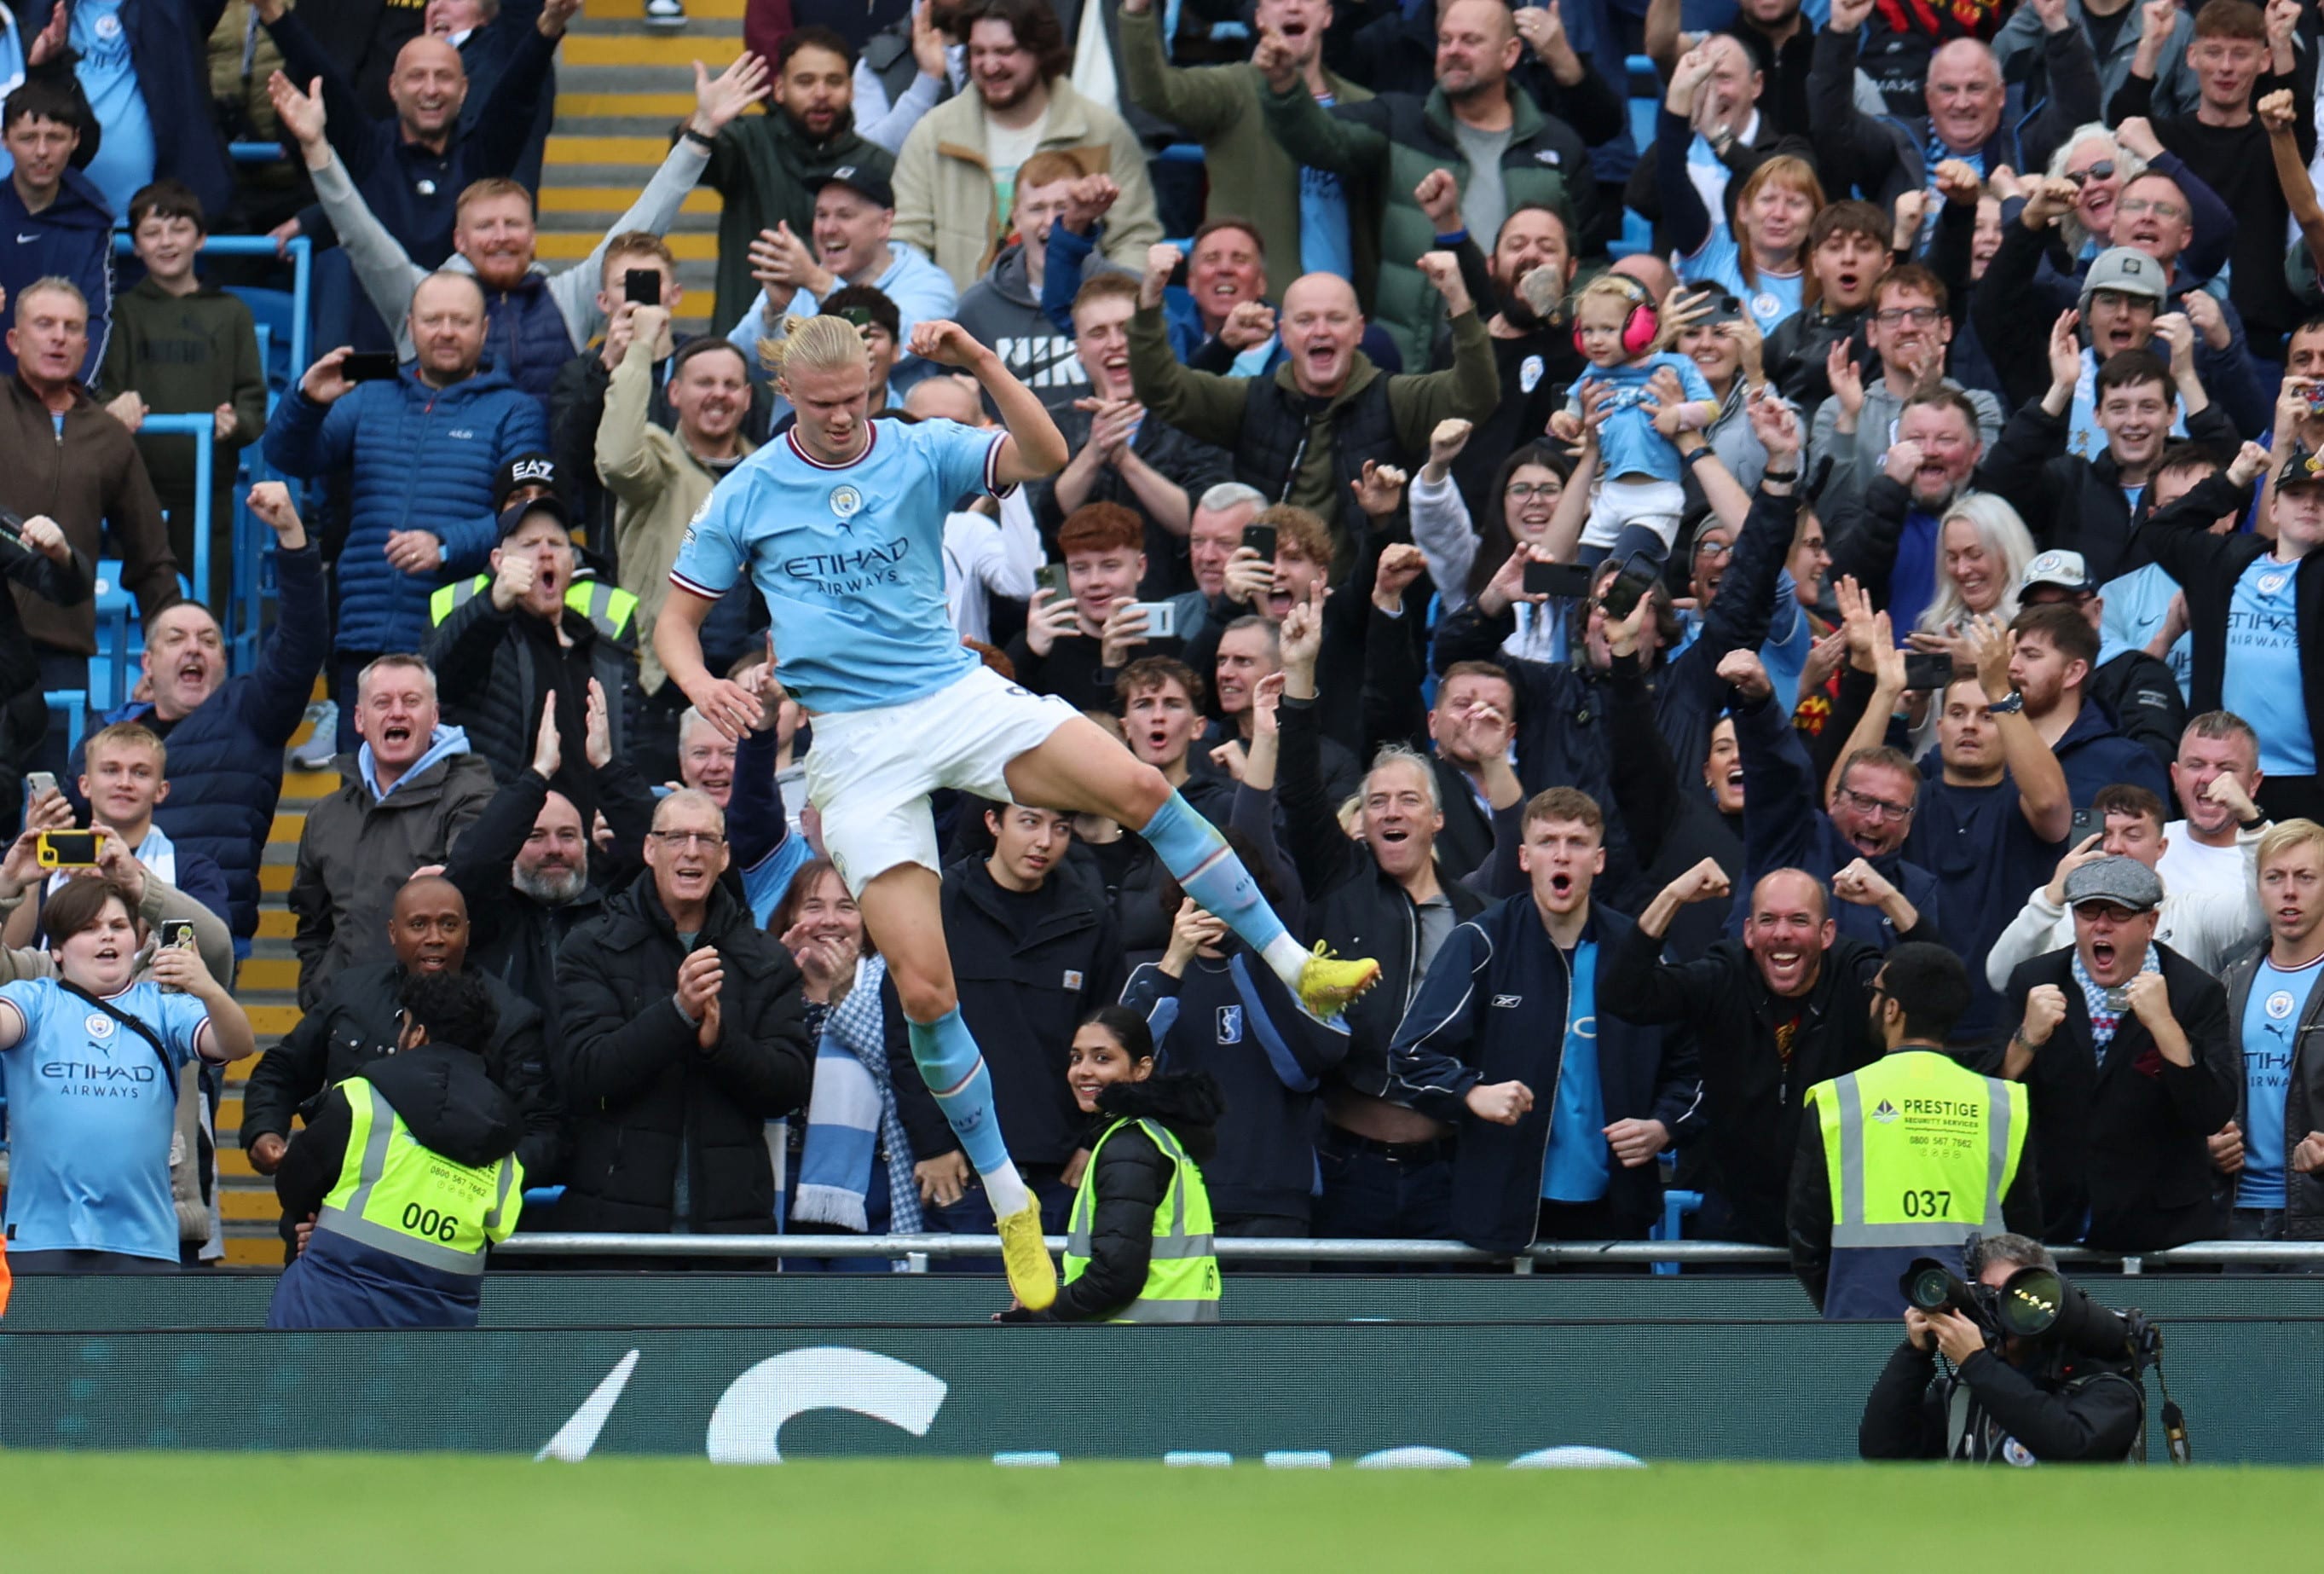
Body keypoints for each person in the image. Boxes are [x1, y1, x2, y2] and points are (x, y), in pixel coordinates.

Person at [656, 312, 1379, 1310]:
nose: (837, 421)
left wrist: (985, 362)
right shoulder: (746, 493)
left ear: (875, 380)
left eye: (854, 401)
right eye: (818, 408)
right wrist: (702, 686)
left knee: (1138, 787)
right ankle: (1010, 1207)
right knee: (923, 991)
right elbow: (674, 624)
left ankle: (1300, 970)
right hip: (857, 751)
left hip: (951, 698)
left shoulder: (918, 448)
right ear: (789, 399)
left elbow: (1043, 453)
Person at [270, 59, 749, 410]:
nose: (501, 237)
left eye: (513, 225)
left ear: (533, 236)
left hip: (546, 504)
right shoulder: (421, 297)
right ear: (460, 240)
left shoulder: (568, 298)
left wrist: (701, 131)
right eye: (485, 227)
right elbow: (357, 232)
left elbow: (641, 226)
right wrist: (316, 148)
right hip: (451, 496)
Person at [1385, 789, 1697, 1253]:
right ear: (1525, 857)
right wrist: (1471, 1092)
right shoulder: (1481, 943)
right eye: (1548, 842)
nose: (1562, 856)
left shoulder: (1639, 955)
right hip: (1501, 1216)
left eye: (1577, 842)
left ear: (1599, 860)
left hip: (1615, 1219)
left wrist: (1663, 1126)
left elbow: (1695, 1065)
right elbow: (1411, 1054)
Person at [263, 277, 548, 744]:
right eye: (434, 320)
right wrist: (307, 400)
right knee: (360, 795)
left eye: (461, 320)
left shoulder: (515, 410)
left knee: (450, 800)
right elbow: (288, 455)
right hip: (364, 633)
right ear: (410, 326)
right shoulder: (370, 396)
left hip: (463, 640)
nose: (447, 331)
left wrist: (447, 544)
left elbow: (530, 517)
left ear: (485, 329)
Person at [1255, 0, 1598, 367]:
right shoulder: (1400, 121)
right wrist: (1285, 87)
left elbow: (1587, 262)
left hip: (1524, 368)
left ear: (1510, 53)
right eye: (1445, 40)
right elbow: (1319, 140)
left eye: (1470, 40)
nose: (1453, 51)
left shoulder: (1557, 146)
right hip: (1413, 369)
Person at [1607, 854, 1923, 1246]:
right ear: (1749, 932)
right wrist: (1672, 896)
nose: (1782, 934)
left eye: (1799, 920)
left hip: (1841, 1218)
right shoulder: (1724, 974)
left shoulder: (1855, 975)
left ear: (1826, 934)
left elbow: (1935, 994)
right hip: (1735, 1216)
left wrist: (1890, 898)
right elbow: (1624, 995)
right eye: (1768, 920)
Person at [547, 790, 812, 1242]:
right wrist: (677, 1015)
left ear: (725, 856)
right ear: (650, 849)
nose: (692, 852)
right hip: (616, 1230)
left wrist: (720, 1044)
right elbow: (585, 1076)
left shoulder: (763, 958)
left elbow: (789, 1087)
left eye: (706, 839)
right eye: (676, 838)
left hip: (732, 1233)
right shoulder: (592, 946)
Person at [1128, 247, 1494, 573]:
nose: (1321, 331)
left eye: (1335, 319)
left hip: (1363, 611)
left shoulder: (1394, 397)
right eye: (1305, 321)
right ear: (1284, 334)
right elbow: (1161, 389)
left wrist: (1458, 300)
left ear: (1359, 330)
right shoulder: (1252, 400)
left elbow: (1475, 396)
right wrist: (1149, 298)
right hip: (1267, 604)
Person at [244, 875, 557, 1247]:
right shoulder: (350, 993)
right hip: (325, 1230)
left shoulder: (510, 1017)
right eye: (419, 925)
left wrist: (466, 1189)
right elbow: (282, 1069)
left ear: (468, 932)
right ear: (393, 932)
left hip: (442, 1237)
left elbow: (544, 1131)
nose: (435, 937)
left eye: (449, 924)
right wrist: (264, 1131)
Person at [84, 483, 327, 947]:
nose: (194, 647)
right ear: (148, 665)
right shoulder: (108, 733)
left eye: (209, 641)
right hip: (105, 936)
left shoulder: (250, 711)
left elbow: (301, 646)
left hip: (202, 936)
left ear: (223, 663)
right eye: (176, 639)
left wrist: (292, 537)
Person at [887, 800, 1124, 1240]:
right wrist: (934, 1144)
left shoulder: (1090, 918)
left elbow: (1116, 1043)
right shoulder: (937, 904)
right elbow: (905, 1035)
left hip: (1061, 1174)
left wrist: (1094, 1140)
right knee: (969, 1309)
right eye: (1030, 822)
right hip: (963, 1174)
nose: (1044, 842)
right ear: (993, 822)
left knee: (1063, 1309)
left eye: (1061, 827)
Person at [1842, 605, 2073, 1047]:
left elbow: (2051, 804)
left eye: (1987, 715)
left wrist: (2000, 689)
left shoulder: (2022, 800)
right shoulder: (1908, 799)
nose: (1970, 725)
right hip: (1908, 1027)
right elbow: (1843, 798)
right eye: (1959, 713)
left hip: (2007, 1025)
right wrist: (1886, 691)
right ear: (1940, 724)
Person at [0, 877, 254, 1272]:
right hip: (41, 1239)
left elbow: (237, 1045)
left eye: (118, 927)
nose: (107, 937)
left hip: (144, 1243)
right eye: (88, 928)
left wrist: (209, 990)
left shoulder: (167, 1006)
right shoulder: (34, 1000)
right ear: (58, 950)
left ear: (136, 941)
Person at [1789, 941, 2039, 1319]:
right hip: (1976, 1326)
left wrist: (1844, 1299)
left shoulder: (1837, 1100)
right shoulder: (2001, 1103)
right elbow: (2026, 1236)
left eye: (1875, 993)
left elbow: (1806, 1237)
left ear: (1892, 1009)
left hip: (1864, 1316)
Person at [265, 969, 527, 1328]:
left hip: (326, 1314)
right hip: (438, 1338)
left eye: (404, 1024)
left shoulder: (362, 1099)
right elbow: (496, 1229)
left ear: (417, 1035)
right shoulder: (505, 1142)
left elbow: (295, 1183)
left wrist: (325, 1226)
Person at [2002, 854, 2239, 1249]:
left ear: (2150, 924)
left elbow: (2211, 1112)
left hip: (2160, 1233)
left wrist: (2165, 1027)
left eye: (2119, 914)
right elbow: (1992, 1099)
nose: (2101, 925)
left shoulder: (2195, 991)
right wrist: (2026, 1038)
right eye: (2088, 912)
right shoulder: (2034, 981)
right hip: (2053, 1222)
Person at [251, 0, 569, 277]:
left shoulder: (480, 157)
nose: (430, 90)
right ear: (393, 88)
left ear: (463, 90)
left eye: (443, 77)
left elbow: (520, 89)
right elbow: (322, 73)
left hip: (466, 334)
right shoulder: (371, 152)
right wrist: (271, 12)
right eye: (417, 77)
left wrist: (549, 27)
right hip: (377, 342)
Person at [891, 0, 1160, 293]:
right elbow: (907, 244)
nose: (990, 66)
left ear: (1040, 52)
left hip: (1079, 326)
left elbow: (1133, 239)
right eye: (978, 52)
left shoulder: (1101, 131)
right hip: (963, 323)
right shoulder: (933, 135)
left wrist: (1111, 309)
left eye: (1004, 52)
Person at [1117, 0, 1371, 303]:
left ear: (1328, 15)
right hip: (1257, 312)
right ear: (1259, 16)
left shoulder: (1363, 106)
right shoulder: (1234, 91)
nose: (1292, 6)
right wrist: (1137, 11)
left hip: (1343, 315)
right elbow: (1155, 93)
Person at [438, 687, 658, 1037]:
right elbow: (472, 864)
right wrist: (537, 775)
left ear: (586, 845)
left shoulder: (617, 913)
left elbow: (662, 856)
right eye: (535, 836)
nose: (554, 848)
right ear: (511, 848)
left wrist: (606, 766)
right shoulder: (487, 918)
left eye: (568, 835)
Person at [1, 278, 177, 704]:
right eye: (44, 324)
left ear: (86, 345)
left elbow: (151, 560)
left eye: (72, 327)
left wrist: (168, 657)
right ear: (13, 339)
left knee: (56, 773)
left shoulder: (109, 437)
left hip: (61, 656)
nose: (58, 337)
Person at [291, 655, 495, 1010]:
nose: (396, 712)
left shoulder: (472, 795)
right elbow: (312, 925)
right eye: (382, 702)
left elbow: (482, 889)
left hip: (439, 1022)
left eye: (411, 701)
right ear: (359, 719)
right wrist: (318, 993)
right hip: (346, 1023)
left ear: (433, 718)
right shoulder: (326, 815)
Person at [2110, 0, 2309, 362]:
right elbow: (2123, 124)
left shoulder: (2273, 139)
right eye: (2213, 53)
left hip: (2256, 332)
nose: (2226, 67)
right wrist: (2151, 43)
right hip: (2168, 322)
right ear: (2192, 57)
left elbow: (2299, 130)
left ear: (2262, 61)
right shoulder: (2168, 138)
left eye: (2240, 54)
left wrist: (2281, 44)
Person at [996, 1008, 1222, 1322]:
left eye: (1102, 1058)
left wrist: (1042, 1313)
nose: (1082, 1071)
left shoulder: (1130, 1145)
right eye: (1076, 1058)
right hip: (1171, 1347)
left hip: (1133, 1353)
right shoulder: (1157, 1136)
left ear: (1142, 1069)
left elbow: (1115, 1278)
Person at [95, 180, 266, 591]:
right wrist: (115, 407)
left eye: (179, 229)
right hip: (134, 493)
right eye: (152, 233)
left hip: (210, 492)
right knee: (139, 608)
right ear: (135, 246)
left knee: (203, 606)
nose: (166, 243)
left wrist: (236, 423)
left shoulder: (232, 313)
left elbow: (253, 401)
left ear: (201, 238)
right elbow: (101, 395)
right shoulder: (122, 314)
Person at [2142, 440, 2323, 824]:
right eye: (2296, 494)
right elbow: (2160, 529)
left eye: (2322, 496)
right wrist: (2235, 478)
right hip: (2222, 776)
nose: (2310, 503)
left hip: (2309, 780)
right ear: (2272, 509)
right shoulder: (2225, 560)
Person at [594, 316, 765, 724]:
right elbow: (616, 461)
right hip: (661, 691)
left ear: (747, 397)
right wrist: (639, 349)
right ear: (674, 392)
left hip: (747, 685)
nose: (718, 395)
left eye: (730, 385)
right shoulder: (657, 458)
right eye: (704, 383)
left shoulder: (766, 472)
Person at [425, 499, 640, 808]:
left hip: (588, 841)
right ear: (499, 561)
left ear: (571, 559)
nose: (545, 552)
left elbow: (624, 745)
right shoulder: (486, 632)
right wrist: (494, 603)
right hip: (507, 835)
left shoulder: (601, 644)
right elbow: (439, 682)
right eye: (529, 544)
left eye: (556, 542)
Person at [1857, 1232, 2146, 1461]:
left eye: (2016, 1295)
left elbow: (2072, 1447)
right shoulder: (1963, 1393)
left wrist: (1976, 1361)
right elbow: (1884, 1449)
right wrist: (1914, 1354)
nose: (1999, 1309)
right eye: (1988, 1295)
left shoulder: (2107, 1388)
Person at [1027, 273, 1230, 596]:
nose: (1114, 343)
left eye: (1125, 328)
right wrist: (1094, 453)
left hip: (1176, 612)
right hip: (1071, 618)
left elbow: (1202, 523)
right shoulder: (1049, 425)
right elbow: (1038, 527)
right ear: (1079, 351)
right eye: (1098, 333)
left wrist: (1125, 460)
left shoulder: (1196, 415)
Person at [1807, 0, 2099, 217]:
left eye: (1975, 88)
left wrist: (2058, 26)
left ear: (2000, 95)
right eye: (1947, 90)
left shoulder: (2025, 146)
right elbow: (1831, 125)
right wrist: (1841, 31)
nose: (1961, 103)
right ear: (1928, 97)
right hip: (1911, 289)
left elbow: (2079, 115)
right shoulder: (1896, 147)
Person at [697, 29, 898, 341]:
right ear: (778, 88)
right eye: (805, 81)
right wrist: (702, 124)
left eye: (834, 81)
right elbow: (694, 162)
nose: (821, 93)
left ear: (852, 89)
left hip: (848, 357)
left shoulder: (878, 165)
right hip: (750, 357)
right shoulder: (746, 142)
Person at [1986, 784, 2265, 989]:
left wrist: (2253, 825)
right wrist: (2052, 897)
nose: (2116, 847)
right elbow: (2000, 977)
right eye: (2105, 834)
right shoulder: (2054, 913)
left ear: (2161, 847)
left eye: (2132, 835)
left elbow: (2259, 920)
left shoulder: (2191, 912)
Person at [722, 165, 960, 394]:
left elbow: (897, 350)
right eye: (821, 215)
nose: (828, 229)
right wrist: (774, 311)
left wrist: (817, 282)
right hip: (801, 433)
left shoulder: (929, 285)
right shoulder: (798, 279)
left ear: (885, 223)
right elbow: (738, 367)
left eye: (844, 215)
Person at [1545, 275, 1719, 567]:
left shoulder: (1674, 366)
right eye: (1587, 330)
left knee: (1623, 575)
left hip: (1654, 498)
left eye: (1608, 329)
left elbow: (1711, 408)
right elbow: (1571, 416)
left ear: (1640, 327)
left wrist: (1678, 416)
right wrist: (1561, 419)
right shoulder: (1592, 374)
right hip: (1608, 497)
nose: (1595, 340)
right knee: (1585, 580)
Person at [2207, 818, 2324, 1240]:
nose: (2289, 891)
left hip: (2316, 1215)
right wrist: (2207, 1144)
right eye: (2275, 877)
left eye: (2305, 877)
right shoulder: (2229, 985)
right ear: (2259, 888)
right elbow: (2199, 1093)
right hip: (2237, 1214)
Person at [1812, 264, 2004, 512]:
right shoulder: (1836, 409)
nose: (1907, 327)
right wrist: (1849, 419)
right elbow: (1827, 509)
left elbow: (1979, 499)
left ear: (1945, 328)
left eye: (1921, 314)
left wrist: (1930, 397)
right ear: (1872, 332)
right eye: (1892, 316)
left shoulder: (1979, 407)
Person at [0, 78, 113, 383]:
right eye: (27, 138)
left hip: (60, 401)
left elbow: (97, 319)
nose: (41, 151)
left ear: (75, 139)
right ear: (5, 139)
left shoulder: (92, 221)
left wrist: (71, 397)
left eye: (55, 137)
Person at [2007, 602, 2171, 807]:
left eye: (2031, 656)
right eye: (2010, 655)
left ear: (2074, 672)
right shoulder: (1990, 751)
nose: (2013, 667)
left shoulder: (2125, 763)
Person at [2161, 711, 2271, 903]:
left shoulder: (2283, 854)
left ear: (2254, 783)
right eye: (2196, 765)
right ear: (2175, 776)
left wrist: (2251, 819)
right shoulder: (2149, 843)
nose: (2208, 778)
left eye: (2226, 768)